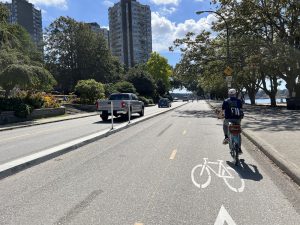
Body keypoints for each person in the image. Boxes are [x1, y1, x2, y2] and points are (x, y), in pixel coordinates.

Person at [221, 89, 244, 154]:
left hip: (228, 119)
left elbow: (222, 111)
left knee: (225, 125)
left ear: (229, 94)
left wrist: (220, 116)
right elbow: (241, 110)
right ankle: (239, 148)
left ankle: (226, 137)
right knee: (238, 132)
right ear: (235, 94)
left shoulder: (226, 101)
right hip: (237, 119)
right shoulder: (239, 101)